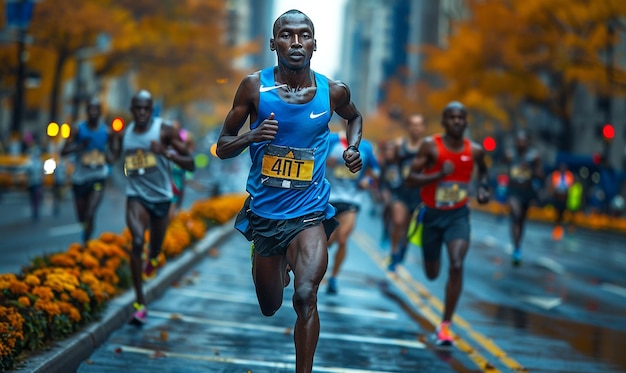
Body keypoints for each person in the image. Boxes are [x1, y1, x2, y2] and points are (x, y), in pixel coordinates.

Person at [216, 9, 362, 373]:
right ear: (273, 43)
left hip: (309, 212)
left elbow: (354, 117)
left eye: (303, 35)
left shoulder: (333, 91)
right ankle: (264, 256)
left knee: (305, 296)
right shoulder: (253, 87)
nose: (295, 42)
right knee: (269, 305)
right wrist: (252, 135)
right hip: (266, 215)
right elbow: (222, 146)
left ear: (314, 44)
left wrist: (352, 146)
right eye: (286, 35)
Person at [405, 101, 490, 346]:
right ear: (444, 122)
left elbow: (484, 172)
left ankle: (445, 325)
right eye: (451, 118)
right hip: (432, 215)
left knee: (456, 262)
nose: (456, 121)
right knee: (432, 273)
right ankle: (433, 264)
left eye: (460, 118)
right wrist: (439, 174)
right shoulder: (431, 147)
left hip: (458, 216)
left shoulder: (474, 150)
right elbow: (410, 179)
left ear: (465, 122)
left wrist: (483, 189)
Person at [112, 89, 195, 324]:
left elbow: (190, 164)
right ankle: (139, 304)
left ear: (151, 110)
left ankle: (153, 258)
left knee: (155, 251)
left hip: (161, 199)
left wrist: (166, 153)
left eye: (145, 108)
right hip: (136, 197)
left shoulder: (164, 130)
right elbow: (115, 160)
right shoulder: (125, 134)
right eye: (137, 108)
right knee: (137, 242)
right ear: (131, 110)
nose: (141, 113)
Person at [325, 131, 379, 294]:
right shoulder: (331, 141)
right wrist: (326, 162)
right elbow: (313, 160)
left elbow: (376, 171)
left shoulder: (366, 147)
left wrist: (367, 181)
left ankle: (333, 278)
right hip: (328, 199)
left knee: (342, 238)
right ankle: (314, 270)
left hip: (351, 199)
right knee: (327, 241)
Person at [61, 99, 114, 246]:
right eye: (91, 110)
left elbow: (112, 155)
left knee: (91, 211)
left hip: (98, 177)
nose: (93, 113)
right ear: (86, 112)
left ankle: (86, 242)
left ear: (100, 112)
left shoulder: (106, 131)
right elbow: (63, 151)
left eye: (96, 110)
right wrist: (79, 147)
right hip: (80, 178)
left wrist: (109, 157)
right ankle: (86, 228)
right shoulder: (78, 130)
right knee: (82, 216)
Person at [382, 114, 426, 271]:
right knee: (398, 221)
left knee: (408, 228)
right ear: (408, 127)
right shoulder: (401, 145)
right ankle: (394, 252)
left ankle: (403, 249)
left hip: (418, 194)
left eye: (418, 124)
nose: (415, 128)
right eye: (412, 124)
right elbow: (389, 163)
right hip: (401, 191)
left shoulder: (428, 147)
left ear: (423, 128)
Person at [503, 130, 542, 266]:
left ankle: (518, 246)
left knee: (522, 221)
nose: (521, 143)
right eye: (518, 140)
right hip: (513, 191)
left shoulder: (533, 156)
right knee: (516, 215)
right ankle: (516, 247)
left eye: (523, 140)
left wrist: (531, 170)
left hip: (526, 192)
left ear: (527, 142)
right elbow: (503, 168)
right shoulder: (510, 154)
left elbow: (540, 174)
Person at [168, 120, 196, 220]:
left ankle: (169, 224)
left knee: (174, 202)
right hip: (169, 177)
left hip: (177, 177)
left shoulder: (184, 137)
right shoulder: (166, 138)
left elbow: (189, 157)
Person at [547, 162, 574, 240]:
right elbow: (552, 184)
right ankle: (557, 230)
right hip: (557, 196)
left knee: (565, 214)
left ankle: (565, 229)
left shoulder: (569, 175)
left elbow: (570, 185)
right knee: (557, 214)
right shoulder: (556, 175)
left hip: (565, 197)